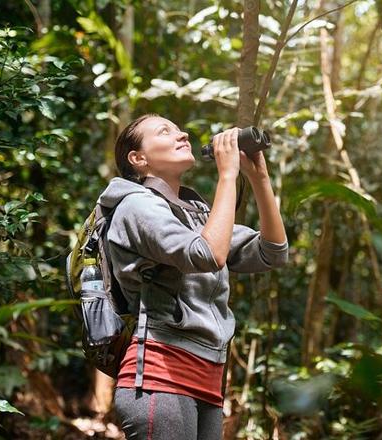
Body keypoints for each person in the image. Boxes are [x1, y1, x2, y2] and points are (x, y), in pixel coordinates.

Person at [97, 114, 288, 439]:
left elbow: (272, 252)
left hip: (208, 378)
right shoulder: (135, 208)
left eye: (178, 128)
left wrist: (260, 179)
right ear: (138, 159)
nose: (181, 133)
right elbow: (207, 255)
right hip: (160, 374)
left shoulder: (195, 215)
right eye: (164, 131)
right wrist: (227, 175)